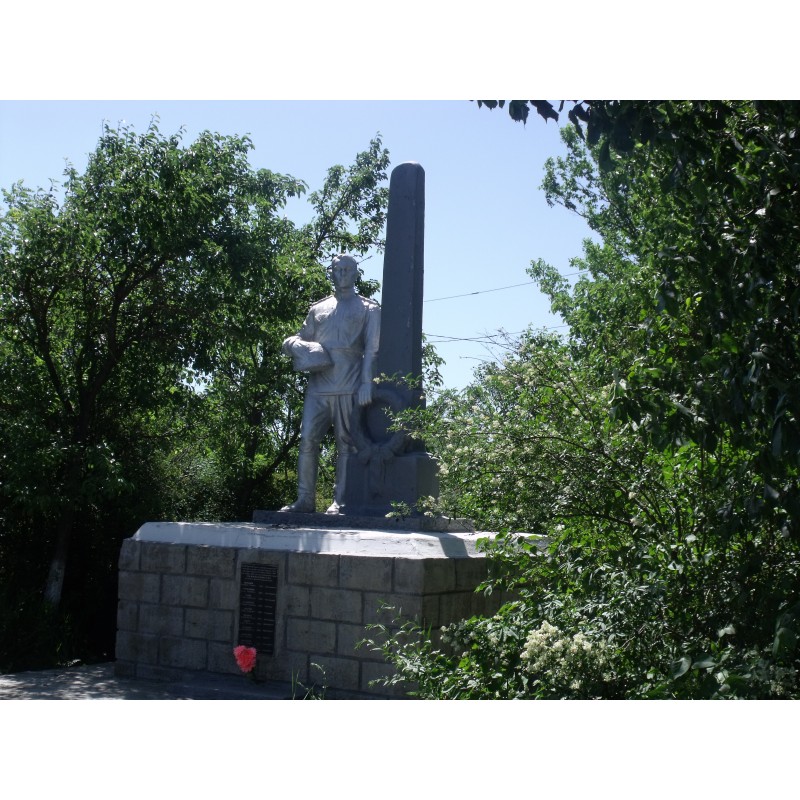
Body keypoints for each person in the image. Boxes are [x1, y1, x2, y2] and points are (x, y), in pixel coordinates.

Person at [280, 254, 380, 514]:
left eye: (348, 269)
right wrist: (292, 344)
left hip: (350, 382)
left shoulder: (369, 308)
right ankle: (305, 500)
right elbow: (302, 338)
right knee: (307, 440)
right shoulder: (318, 308)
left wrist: (367, 383)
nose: (343, 274)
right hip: (318, 385)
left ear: (356, 274)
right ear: (332, 273)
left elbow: (372, 350)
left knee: (346, 444)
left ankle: (341, 500)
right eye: (338, 269)